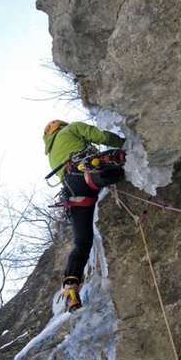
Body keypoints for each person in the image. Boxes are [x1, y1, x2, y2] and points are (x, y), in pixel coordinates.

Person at [43, 120, 126, 312]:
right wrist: (123, 141)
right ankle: (107, 167)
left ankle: (71, 289)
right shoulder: (71, 129)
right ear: (62, 126)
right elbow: (101, 136)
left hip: (73, 194)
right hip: (81, 172)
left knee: (82, 242)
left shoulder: (51, 155)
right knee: (106, 169)